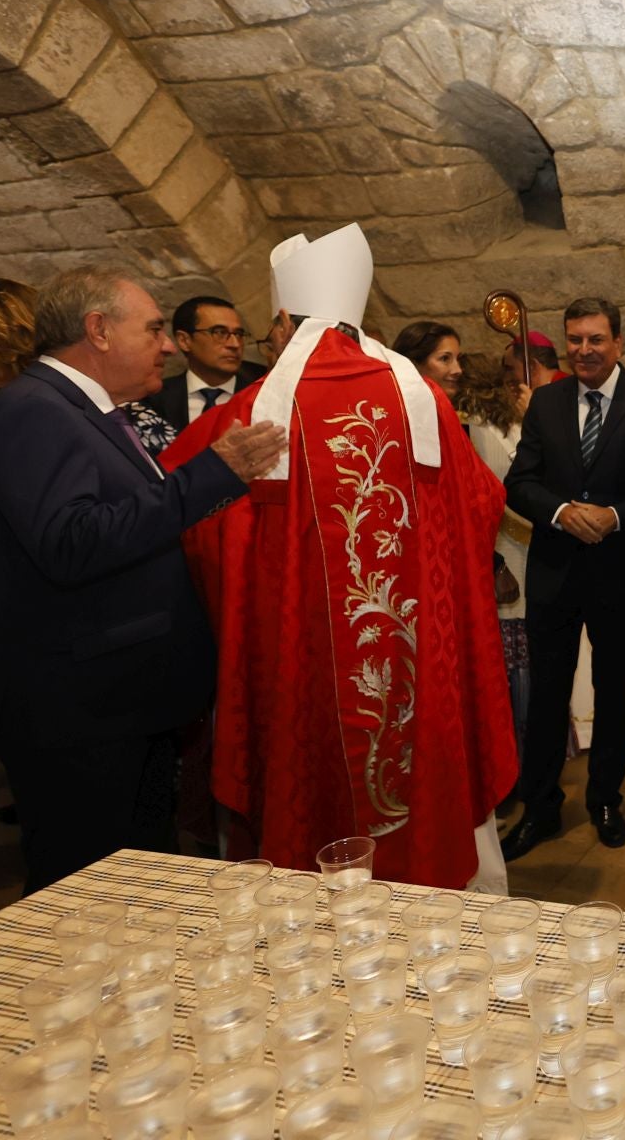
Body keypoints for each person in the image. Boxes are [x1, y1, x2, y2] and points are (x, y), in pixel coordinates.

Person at [166, 225, 517, 891]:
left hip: (303, 675)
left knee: (310, 796)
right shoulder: (422, 400)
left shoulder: (253, 412)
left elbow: (191, 523)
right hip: (419, 673)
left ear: (284, 323)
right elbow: (481, 504)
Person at [0, 265, 286, 891]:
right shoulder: (31, 412)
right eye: (155, 329)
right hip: (80, 712)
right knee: (86, 896)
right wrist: (210, 475)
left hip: (121, 702)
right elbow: (71, 543)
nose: (168, 346)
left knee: (138, 889)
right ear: (98, 330)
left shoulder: (87, 410)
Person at [501, 298, 625, 860]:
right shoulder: (547, 401)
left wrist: (614, 516)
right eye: (575, 340)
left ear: (618, 343)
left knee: (613, 692)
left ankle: (605, 800)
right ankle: (540, 808)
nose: (584, 350)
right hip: (555, 572)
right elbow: (520, 482)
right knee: (547, 694)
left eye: (596, 339)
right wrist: (561, 511)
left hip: (618, 573)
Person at [458, 352, 534, 774]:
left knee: (509, 663)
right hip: (524, 549)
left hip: (498, 552)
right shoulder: (514, 421)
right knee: (523, 657)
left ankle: (513, 757)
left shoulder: (470, 426)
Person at [152, 296, 267, 432]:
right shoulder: (154, 399)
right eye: (219, 333)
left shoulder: (263, 394)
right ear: (184, 341)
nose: (235, 344)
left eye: (238, 334)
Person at [393, 321, 464, 400]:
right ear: (414, 363)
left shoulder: (466, 404)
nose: (458, 370)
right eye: (445, 358)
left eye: (458, 359)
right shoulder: (392, 405)